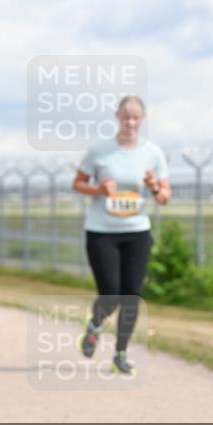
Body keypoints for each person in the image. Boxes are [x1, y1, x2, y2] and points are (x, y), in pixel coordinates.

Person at [72, 95, 170, 375]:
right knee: (111, 293)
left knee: (132, 295)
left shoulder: (153, 153)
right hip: (101, 232)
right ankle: (95, 326)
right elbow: (78, 183)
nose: (130, 122)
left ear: (143, 119)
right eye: (125, 116)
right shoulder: (100, 152)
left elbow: (164, 197)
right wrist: (98, 190)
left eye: (135, 117)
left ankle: (120, 353)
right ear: (117, 117)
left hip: (137, 232)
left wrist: (154, 187)